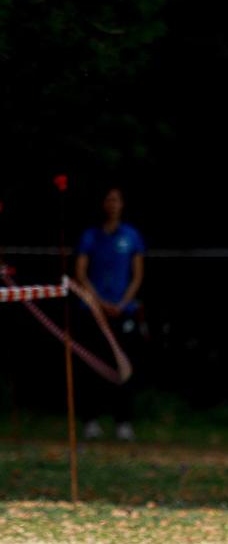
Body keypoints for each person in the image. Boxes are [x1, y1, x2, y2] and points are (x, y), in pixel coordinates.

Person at [73, 185, 145, 441]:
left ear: (122, 204)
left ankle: (123, 422)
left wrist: (123, 303)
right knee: (91, 365)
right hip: (93, 310)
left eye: (117, 199)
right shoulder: (90, 236)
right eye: (108, 199)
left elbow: (137, 275)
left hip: (123, 311)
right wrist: (99, 302)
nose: (112, 204)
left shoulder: (131, 236)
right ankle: (90, 421)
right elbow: (80, 273)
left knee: (124, 366)